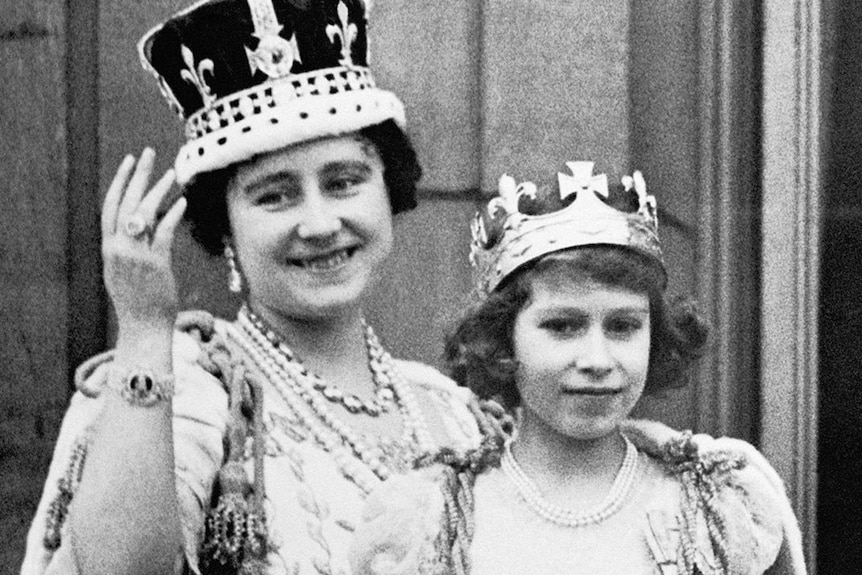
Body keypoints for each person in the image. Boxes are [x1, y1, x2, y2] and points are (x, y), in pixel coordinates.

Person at [20, 1, 482, 574]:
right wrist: (142, 330)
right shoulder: (184, 387)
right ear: (225, 229)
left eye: (343, 182)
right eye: (274, 195)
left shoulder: (450, 411)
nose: (318, 223)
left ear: (390, 193)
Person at [349, 162, 808, 575]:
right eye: (563, 326)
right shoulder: (434, 521)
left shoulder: (715, 503)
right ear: (503, 338)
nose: (597, 360)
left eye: (623, 326)